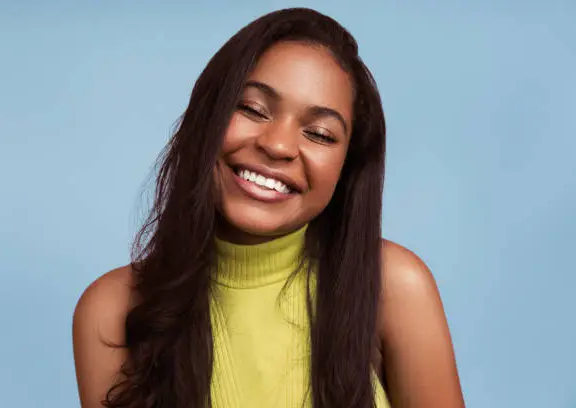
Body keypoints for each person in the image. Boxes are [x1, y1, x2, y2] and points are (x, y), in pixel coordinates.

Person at [72, 7, 464, 408]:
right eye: (253, 109)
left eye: (319, 134)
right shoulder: (111, 310)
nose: (277, 145)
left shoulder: (393, 286)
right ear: (206, 116)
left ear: (347, 169)